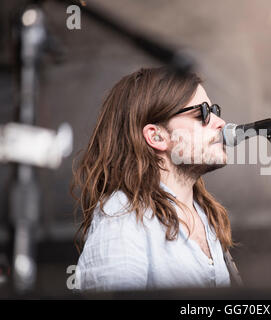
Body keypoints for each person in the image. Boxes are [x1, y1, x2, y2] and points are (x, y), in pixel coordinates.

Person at [72, 66, 241, 291]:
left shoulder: (206, 214)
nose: (219, 122)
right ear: (156, 136)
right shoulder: (123, 214)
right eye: (202, 112)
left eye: (214, 109)